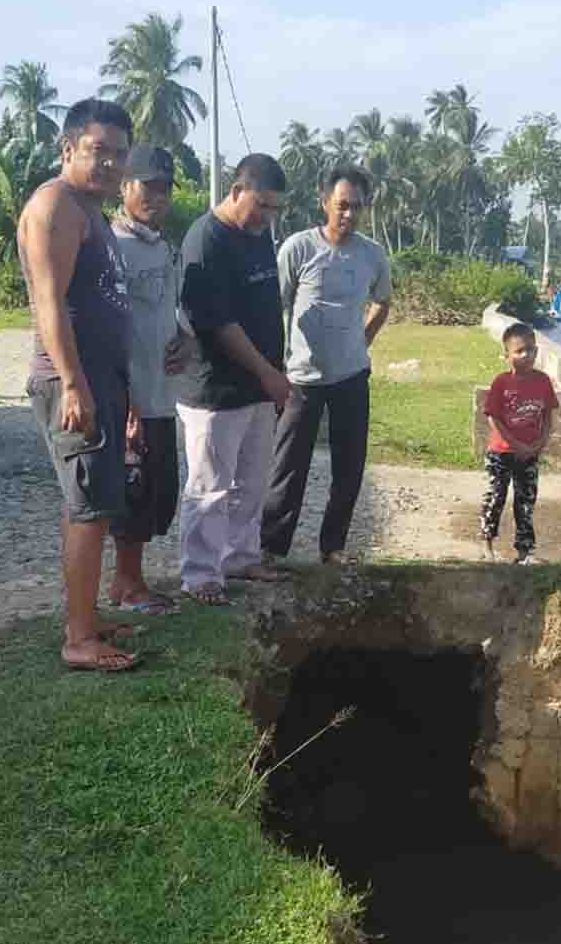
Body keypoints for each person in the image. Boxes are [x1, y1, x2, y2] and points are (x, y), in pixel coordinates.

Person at [15, 97, 139, 673]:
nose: (111, 164)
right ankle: (79, 640)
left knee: (93, 503)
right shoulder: (57, 206)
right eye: (98, 151)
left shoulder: (90, 210)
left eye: (120, 154)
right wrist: (72, 383)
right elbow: (49, 303)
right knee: (87, 505)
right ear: (68, 149)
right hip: (73, 382)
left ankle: (85, 620)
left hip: (99, 379)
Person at [174, 153, 294, 605]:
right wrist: (268, 373)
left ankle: (240, 556)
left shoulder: (258, 234)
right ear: (235, 191)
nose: (268, 216)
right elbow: (219, 324)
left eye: (276, 208)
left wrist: (272, 373)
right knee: (210, 486)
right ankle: (200, 573)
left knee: (252, 481)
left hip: (259, 387)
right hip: (215, 390)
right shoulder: (206, 240)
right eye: (261, 204)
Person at [263, 164, 393, 567]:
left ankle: (332, 546)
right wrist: (275, 366)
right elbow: (274, 307)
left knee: (349, 467)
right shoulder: (297, 248)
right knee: (288, 468)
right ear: (324, 203)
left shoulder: (372, 254)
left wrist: (362, 339)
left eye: (357, 207)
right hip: (301, 379)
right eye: (342, 206)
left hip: (352, 377)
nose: (349, 215)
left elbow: (382, 302)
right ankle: (271, 547)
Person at [104, 144, 195, 616]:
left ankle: (131, 581)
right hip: (130, 393)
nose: (156, 198)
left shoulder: (163, 247)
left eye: (163, 189)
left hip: (161, 391)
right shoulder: (110, 247)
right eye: (146, 187)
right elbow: (106, 327)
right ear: (124, 187)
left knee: (158, 490)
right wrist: (125, 402)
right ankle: (127, 583)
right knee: (133, 489)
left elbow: (166, 310)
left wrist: (183, 338)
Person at [478, 322, 559, 563]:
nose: (527, 355)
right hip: (501, 453)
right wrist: (515, 444)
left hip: (529, 454)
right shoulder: (502, 383)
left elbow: (547, 416)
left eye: (531, 349)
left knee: (525, 502)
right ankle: (487, 544)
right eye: (520, 351)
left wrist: (540, 443)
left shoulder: (543, 382)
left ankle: (524, 551)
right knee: (495, 498)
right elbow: (494, 419)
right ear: (507, 355)